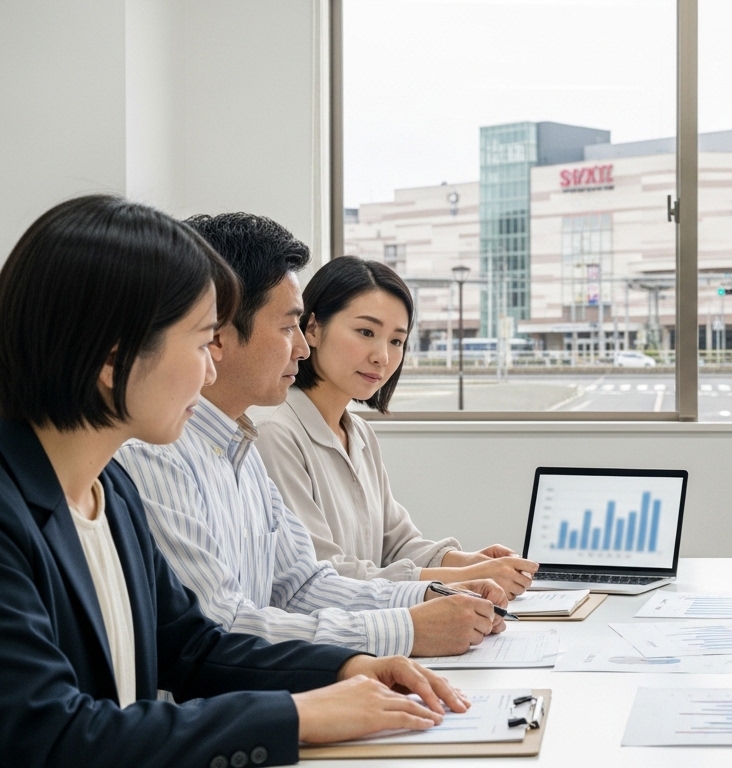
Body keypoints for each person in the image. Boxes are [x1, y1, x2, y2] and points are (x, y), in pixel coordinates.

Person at [0, 196, 470, 768]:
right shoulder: (15, 512)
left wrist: (348, 668)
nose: (210, 368)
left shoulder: (108, 492)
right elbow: (48, 733)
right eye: (201, 343)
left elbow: (193, 648)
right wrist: (300, 716)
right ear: (113, 360)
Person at [117, 213, 503, 659]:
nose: (301, 348)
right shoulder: (158, 456)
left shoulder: (239, 447)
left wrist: (427, 598)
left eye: (397, 340)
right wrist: (407, 627)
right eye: (287, 328)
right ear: (216, 333)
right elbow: (218, 630)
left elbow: (302, 584)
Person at [256, 256, 537, 594]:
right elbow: (322, 573)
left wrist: (469, 562)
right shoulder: (275, 432)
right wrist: (464, 578)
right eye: (365, 332)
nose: (382, 356)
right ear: (313, 328)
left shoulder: (359, 434)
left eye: (396, 341)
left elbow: (397, 545)